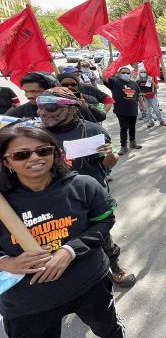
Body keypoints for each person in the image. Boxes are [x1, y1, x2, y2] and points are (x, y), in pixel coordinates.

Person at [0, 126, 125, 337]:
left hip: (89, 284)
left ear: (55, 153)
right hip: (27, 304)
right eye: (21, 154)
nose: (35, 158)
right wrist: (6, 263)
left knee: (110, 331)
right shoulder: (4, 203)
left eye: (43, 150)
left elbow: (103, 222)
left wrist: (70, 250)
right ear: (6, 161)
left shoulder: (83, 186)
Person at [36, 89, 136, 287]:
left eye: (50, 107)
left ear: (72, 108)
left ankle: (114, 266)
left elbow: (108, 164)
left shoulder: (93, 131)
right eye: (39, 107)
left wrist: (110, 155)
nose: (42, 112)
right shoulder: (36, 135)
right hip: (52, 200)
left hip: (91, 198)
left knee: (101, 234)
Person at [5, 73, 96, 122]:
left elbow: (94, 132)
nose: (29, 96)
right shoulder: (17, 113)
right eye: (26, 92)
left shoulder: (75, 107)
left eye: (35, 92)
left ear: (53, 89)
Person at [103, 66, 143, 155]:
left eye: (128, 73)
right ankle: (123, 146)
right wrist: (109, 66)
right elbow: (104, 77)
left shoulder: (134, 83)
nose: (126, 74)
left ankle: (133, 143)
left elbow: (139, 94)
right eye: (123, 73)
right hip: (121, 110)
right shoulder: (115, 82)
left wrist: (142, 105)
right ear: (119, 74)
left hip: (133, 109)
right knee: (124, 128)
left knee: (132, 127)